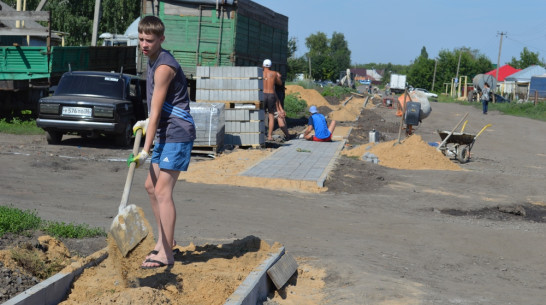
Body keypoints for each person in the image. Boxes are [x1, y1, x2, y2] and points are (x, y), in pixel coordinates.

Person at [128, 15, 196, 269]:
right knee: (150, 186)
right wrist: (147, 123)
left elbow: (156, 112)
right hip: (167, 131)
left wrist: (146, 150)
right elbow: (158, 111)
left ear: (161, 39)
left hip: (177, 133)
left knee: (163, 191)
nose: (144, 44)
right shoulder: (151, 59)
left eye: (150, 40)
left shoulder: (164, 67)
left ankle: (167, 253)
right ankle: (165, 241)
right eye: (141, 39)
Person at [262, 59, 290, 141]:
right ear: (270, 66)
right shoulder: (274, 73)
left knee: (261, 115)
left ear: (263, 65)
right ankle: (270, 136)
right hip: (271, 95)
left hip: (263, 94)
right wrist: (277, 76)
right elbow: (280, 83)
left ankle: (261, 133)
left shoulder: (259, 73)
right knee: (271, 116)